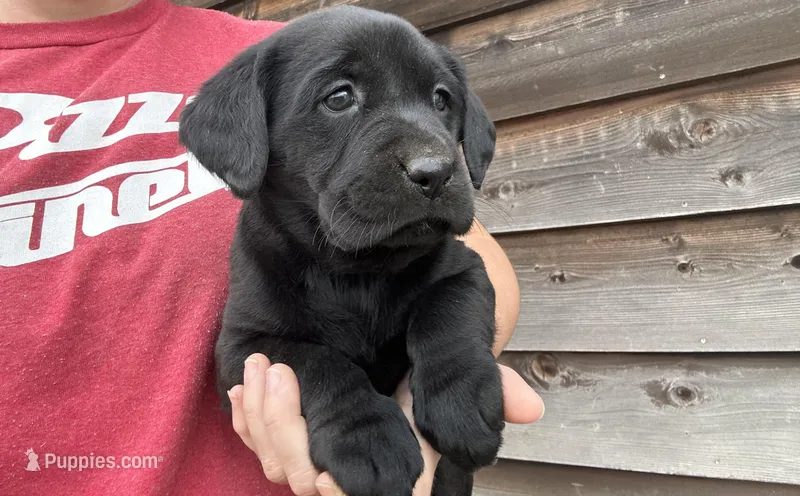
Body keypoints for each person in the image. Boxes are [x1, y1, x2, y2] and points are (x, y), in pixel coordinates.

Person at [0, 1, 545, 495]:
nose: (433, 156)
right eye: (339, 97)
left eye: (439, 100)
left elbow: (467, 271)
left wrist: (452, 361)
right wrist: (341, 407)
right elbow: (248, 351)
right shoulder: (263, 88)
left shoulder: (276, 42)